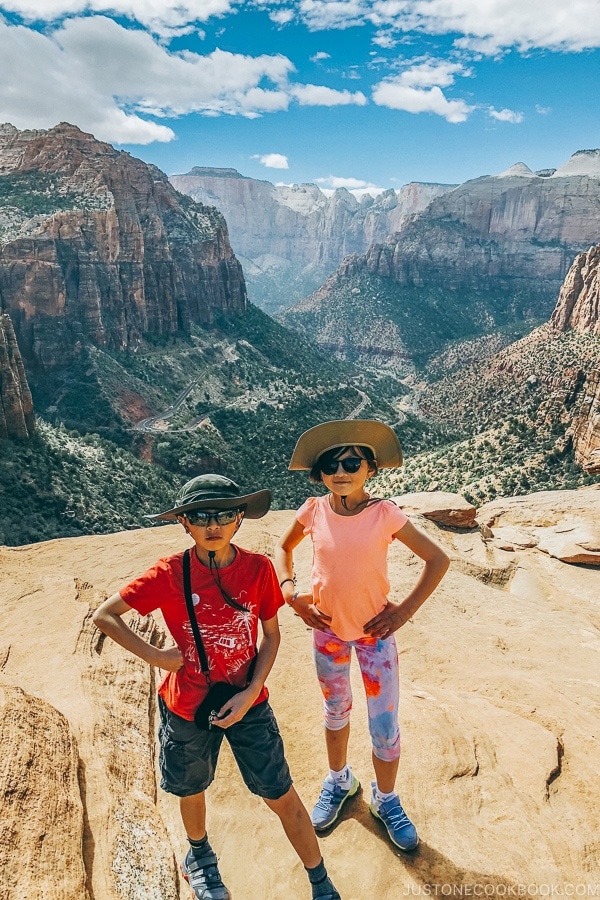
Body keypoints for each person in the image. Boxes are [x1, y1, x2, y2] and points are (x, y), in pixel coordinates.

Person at [93, 474, 340, 900]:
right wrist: (158, 657)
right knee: (192, 788)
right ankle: (200, 857)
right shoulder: (170, 573)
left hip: (248, 700)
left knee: (280, 791)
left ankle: (319, 878)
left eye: (225, 514)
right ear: (184, 523)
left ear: (240, 518)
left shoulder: (259, 569)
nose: (213, 525)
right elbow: (105, 615)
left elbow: (272, 636)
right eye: (200, 516)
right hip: (187, 704)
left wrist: (250, 693)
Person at [274, 421, 449, 852]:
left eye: (352, 462)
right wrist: (291, 593)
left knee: (385, 726)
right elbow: (284, 548)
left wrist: (404, 611)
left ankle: (385, 800)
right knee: (335, 711)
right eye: (331, 464)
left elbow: (437, 559)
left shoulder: (384, 514)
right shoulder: (313, 510)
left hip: (374, 639)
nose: (341, 470)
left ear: (370, 469)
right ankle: (340, 782)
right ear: (319, 474)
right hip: (329, 633)